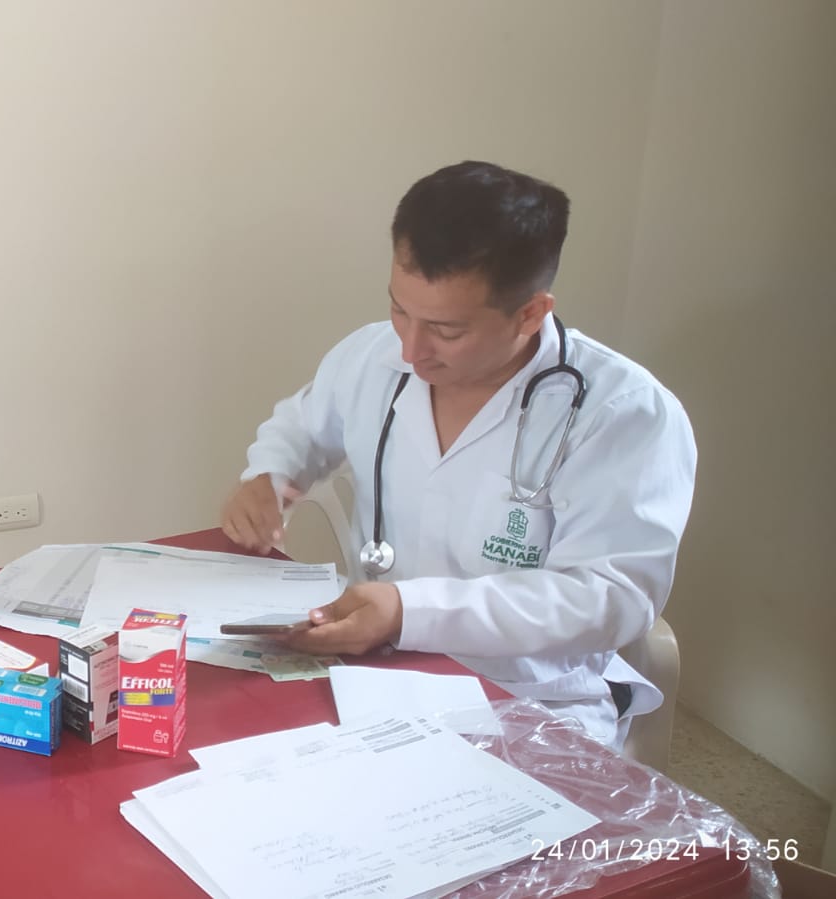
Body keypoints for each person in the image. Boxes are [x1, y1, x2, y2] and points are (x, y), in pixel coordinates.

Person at [220, 161, 696, 747]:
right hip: (365, 673)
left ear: (531, 313)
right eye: (400, 310)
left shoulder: (622, 413)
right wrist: (269, 475)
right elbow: (301, 425)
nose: (411, 349)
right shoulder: (371, 356)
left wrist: (410, 611)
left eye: (447, 331)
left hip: (527, 697)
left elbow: (610, 597)